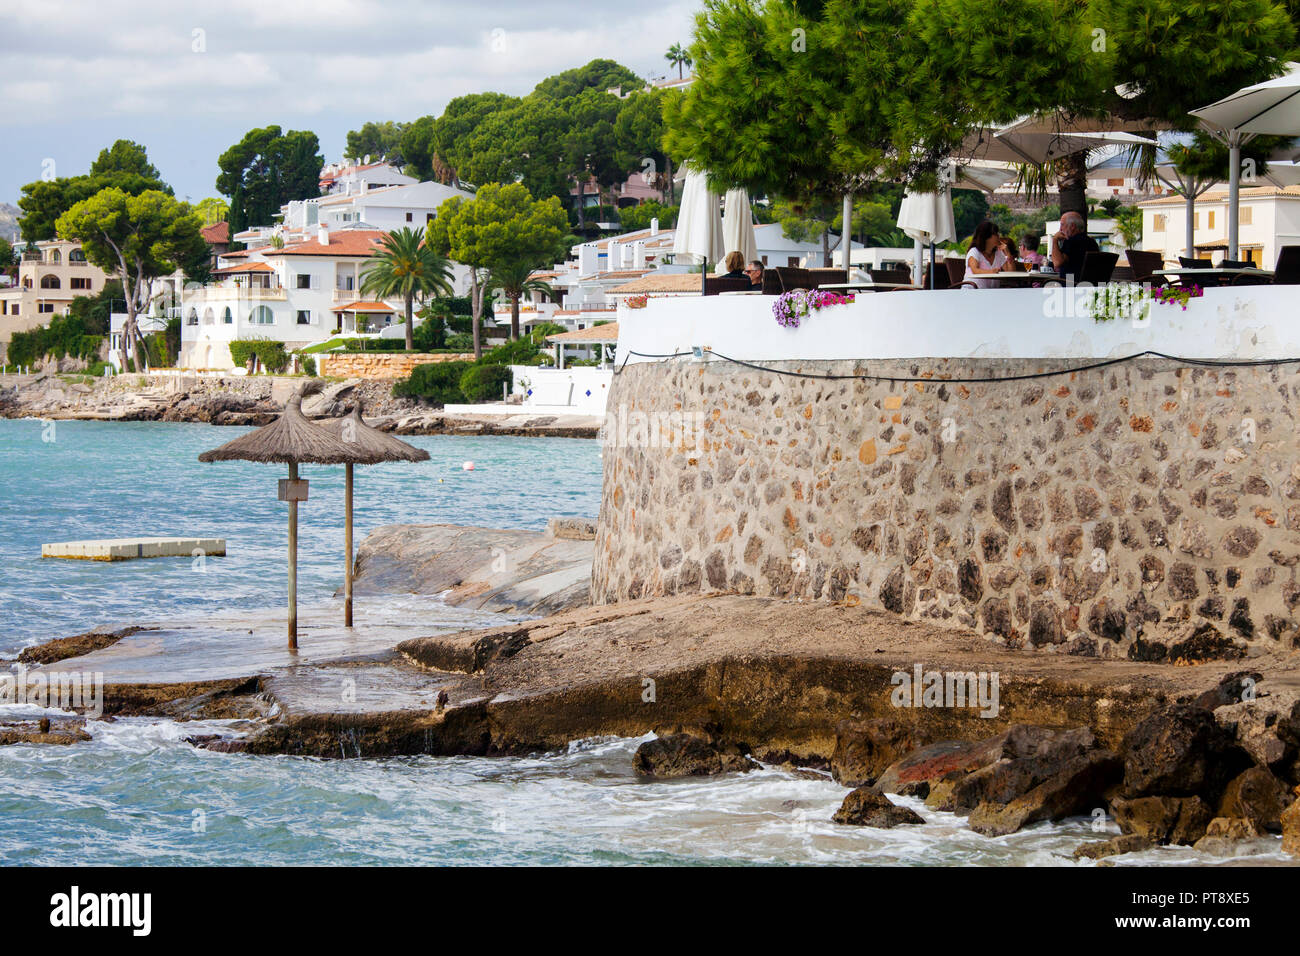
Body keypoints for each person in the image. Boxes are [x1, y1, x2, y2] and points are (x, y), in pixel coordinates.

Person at [964, 220, 1016, 288]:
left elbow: (1011, 272)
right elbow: (975, 270)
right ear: (986, 237)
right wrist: (991, 271)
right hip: (972, 292)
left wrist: (1008, 253)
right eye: (996, 234)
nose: (999, 236)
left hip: (990, 293)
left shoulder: (998, 253)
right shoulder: (974, 251)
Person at [1050, 212, 1099, 281]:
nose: (1060, 229)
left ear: (1072, 226)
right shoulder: (1092, 242)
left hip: (1070, 285)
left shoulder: (1071, 241)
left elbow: (1057, 263)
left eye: (1062, 225)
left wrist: (1055, 240)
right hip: (1090, 286)